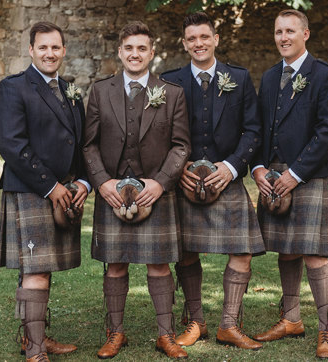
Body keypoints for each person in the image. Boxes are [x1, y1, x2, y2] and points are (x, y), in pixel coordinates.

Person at [83, 21, 191, 359]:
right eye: (129, 48)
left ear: (152, 53)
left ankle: (166, 335)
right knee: (115, 265)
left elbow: (181, 146)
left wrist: (160, 183)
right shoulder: (101, 91)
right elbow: (89, 146)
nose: (135, 54)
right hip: (113, 191)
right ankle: (115, 333)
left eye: (142, 48)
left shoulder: (172, 93)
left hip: (155, 192)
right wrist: (102, 183)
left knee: (159, 265)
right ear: (120, 52)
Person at [161, 12, 264, 350]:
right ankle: (195, 322)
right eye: (192, 39)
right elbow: (160, 135)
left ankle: (229, 325)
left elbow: (253, 130)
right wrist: (180, 169)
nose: (198, 44)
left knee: (243, 251)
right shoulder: (170, 81)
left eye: (204, 37)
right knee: (186, 252)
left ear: (216, 39)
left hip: (227, 180)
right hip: (185, 180)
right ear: (185, 43)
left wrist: (231, 167)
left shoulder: (239, 77)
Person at [0, 21, 90, 362]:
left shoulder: (70, 90)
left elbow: (79, 144)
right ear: (31, 50)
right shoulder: (14, 87)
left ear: (64, 51)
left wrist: (82, 182)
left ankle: (38, 337)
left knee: (42, 268)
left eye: (56, 47)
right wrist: (51, 187)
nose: (50, 53)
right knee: (34, 269)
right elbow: (12, 145)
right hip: (31, 189)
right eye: (43, 47)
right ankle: (34, 350)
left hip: (62, 190)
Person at [250, 9, 328, 359]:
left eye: (290, 30)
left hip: (308, 175)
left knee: (315, 254)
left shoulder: (325, 75)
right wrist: (259, 168)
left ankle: (326, 329)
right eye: (278, 31)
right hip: (273, 176)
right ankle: (290, 319)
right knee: (286, 249)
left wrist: (295, 174)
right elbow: (259, 129)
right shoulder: (271, 77)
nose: (283, 37)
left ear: (306, 34)